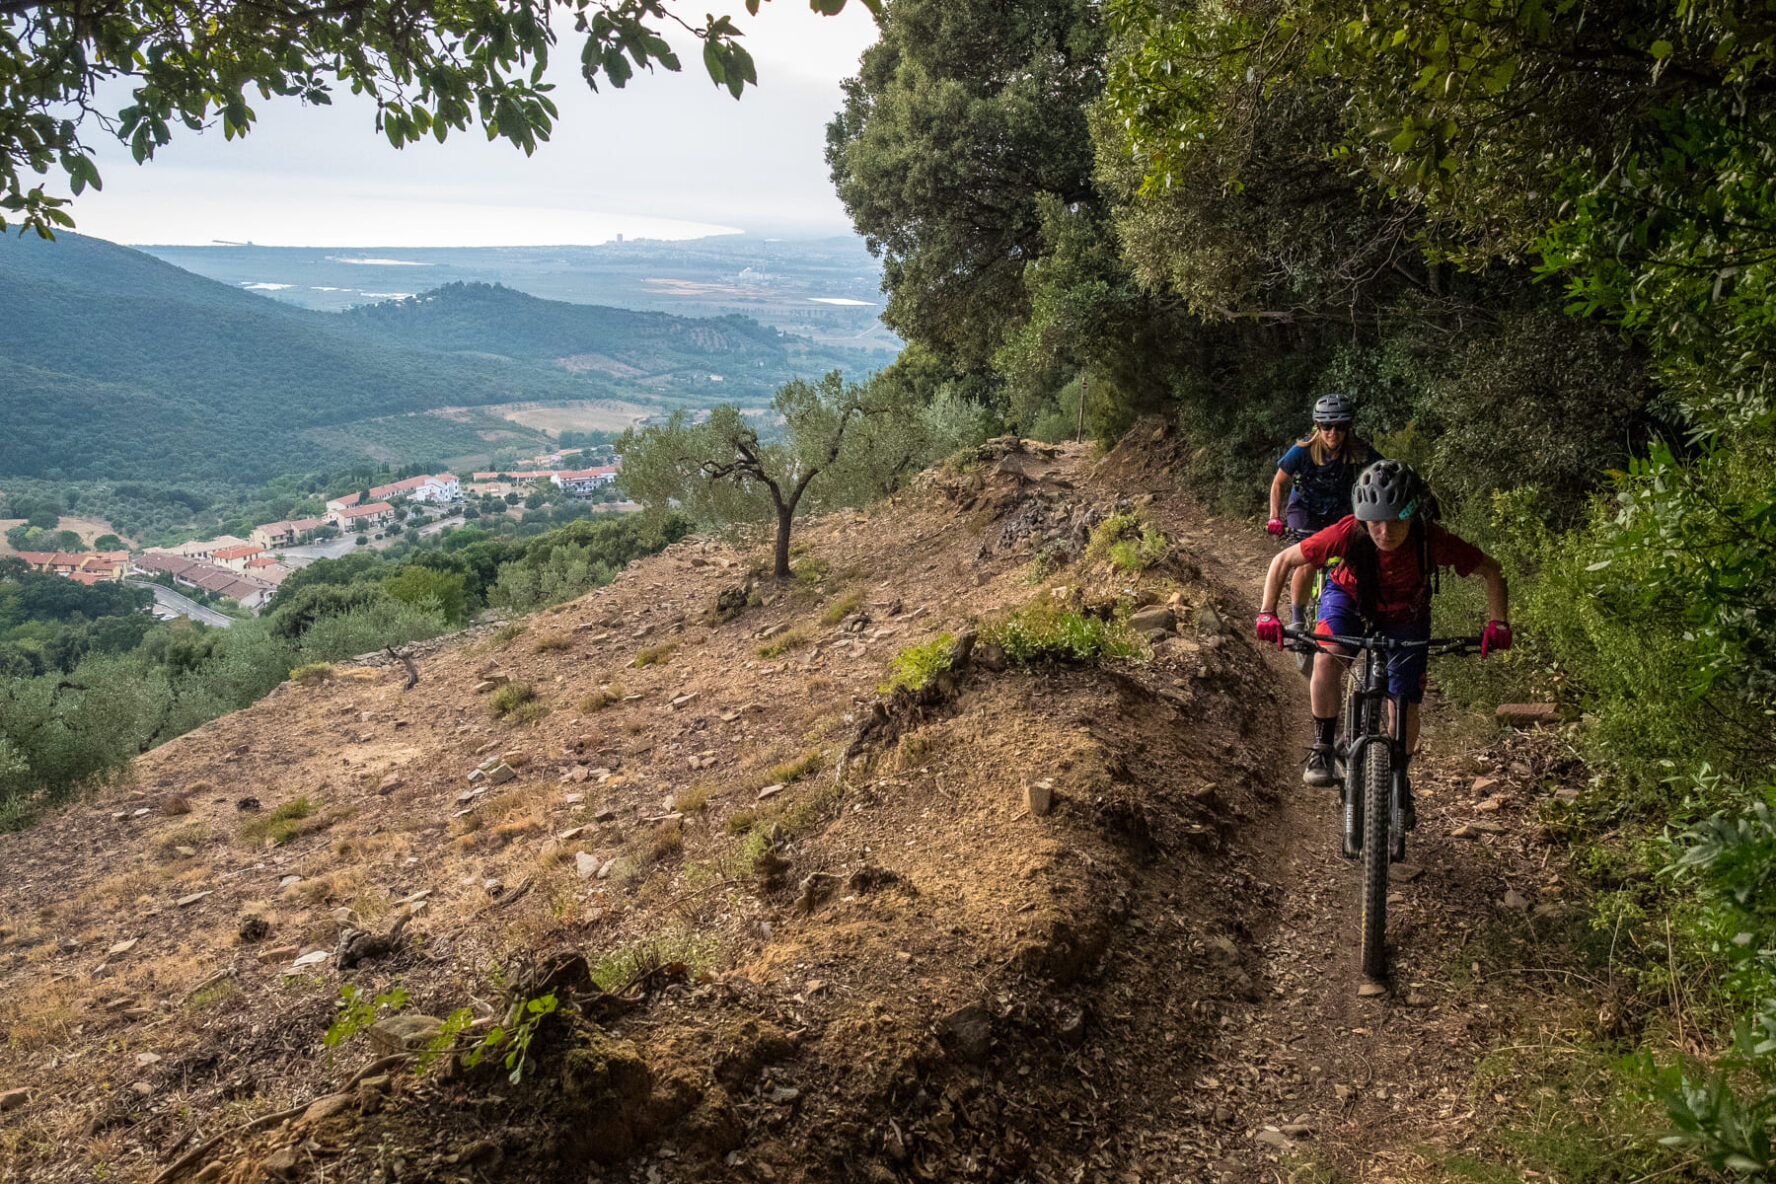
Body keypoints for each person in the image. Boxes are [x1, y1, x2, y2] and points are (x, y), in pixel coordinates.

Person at [1254, 459, 1511, 793]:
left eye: (1394, 523)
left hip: (1406, 615)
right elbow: (1284, 560)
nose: (1384, 532)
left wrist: (1498, 621)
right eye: (1375, 523)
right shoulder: (1348, 530)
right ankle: (1322, 748)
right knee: (1326, 660)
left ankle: (1398, 776)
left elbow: (1492, 570)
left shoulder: (1431, 539)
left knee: (1403, 703)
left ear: (1411, 516)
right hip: (1349, 600)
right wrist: (1266, 612)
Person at [1267, 394, 1378, 629]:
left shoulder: (1358, 450)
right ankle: (1297, 619)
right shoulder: (1302, 450)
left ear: (1348, 427)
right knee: (1308, 559)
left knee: (1354, 561)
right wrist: (1274, 516)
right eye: (1327, 426)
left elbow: (1386, 470)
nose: (1333, 433)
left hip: (1341, 510)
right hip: (1305, 510)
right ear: (1318, 426)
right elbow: (1278, 483)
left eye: (1340, 426)